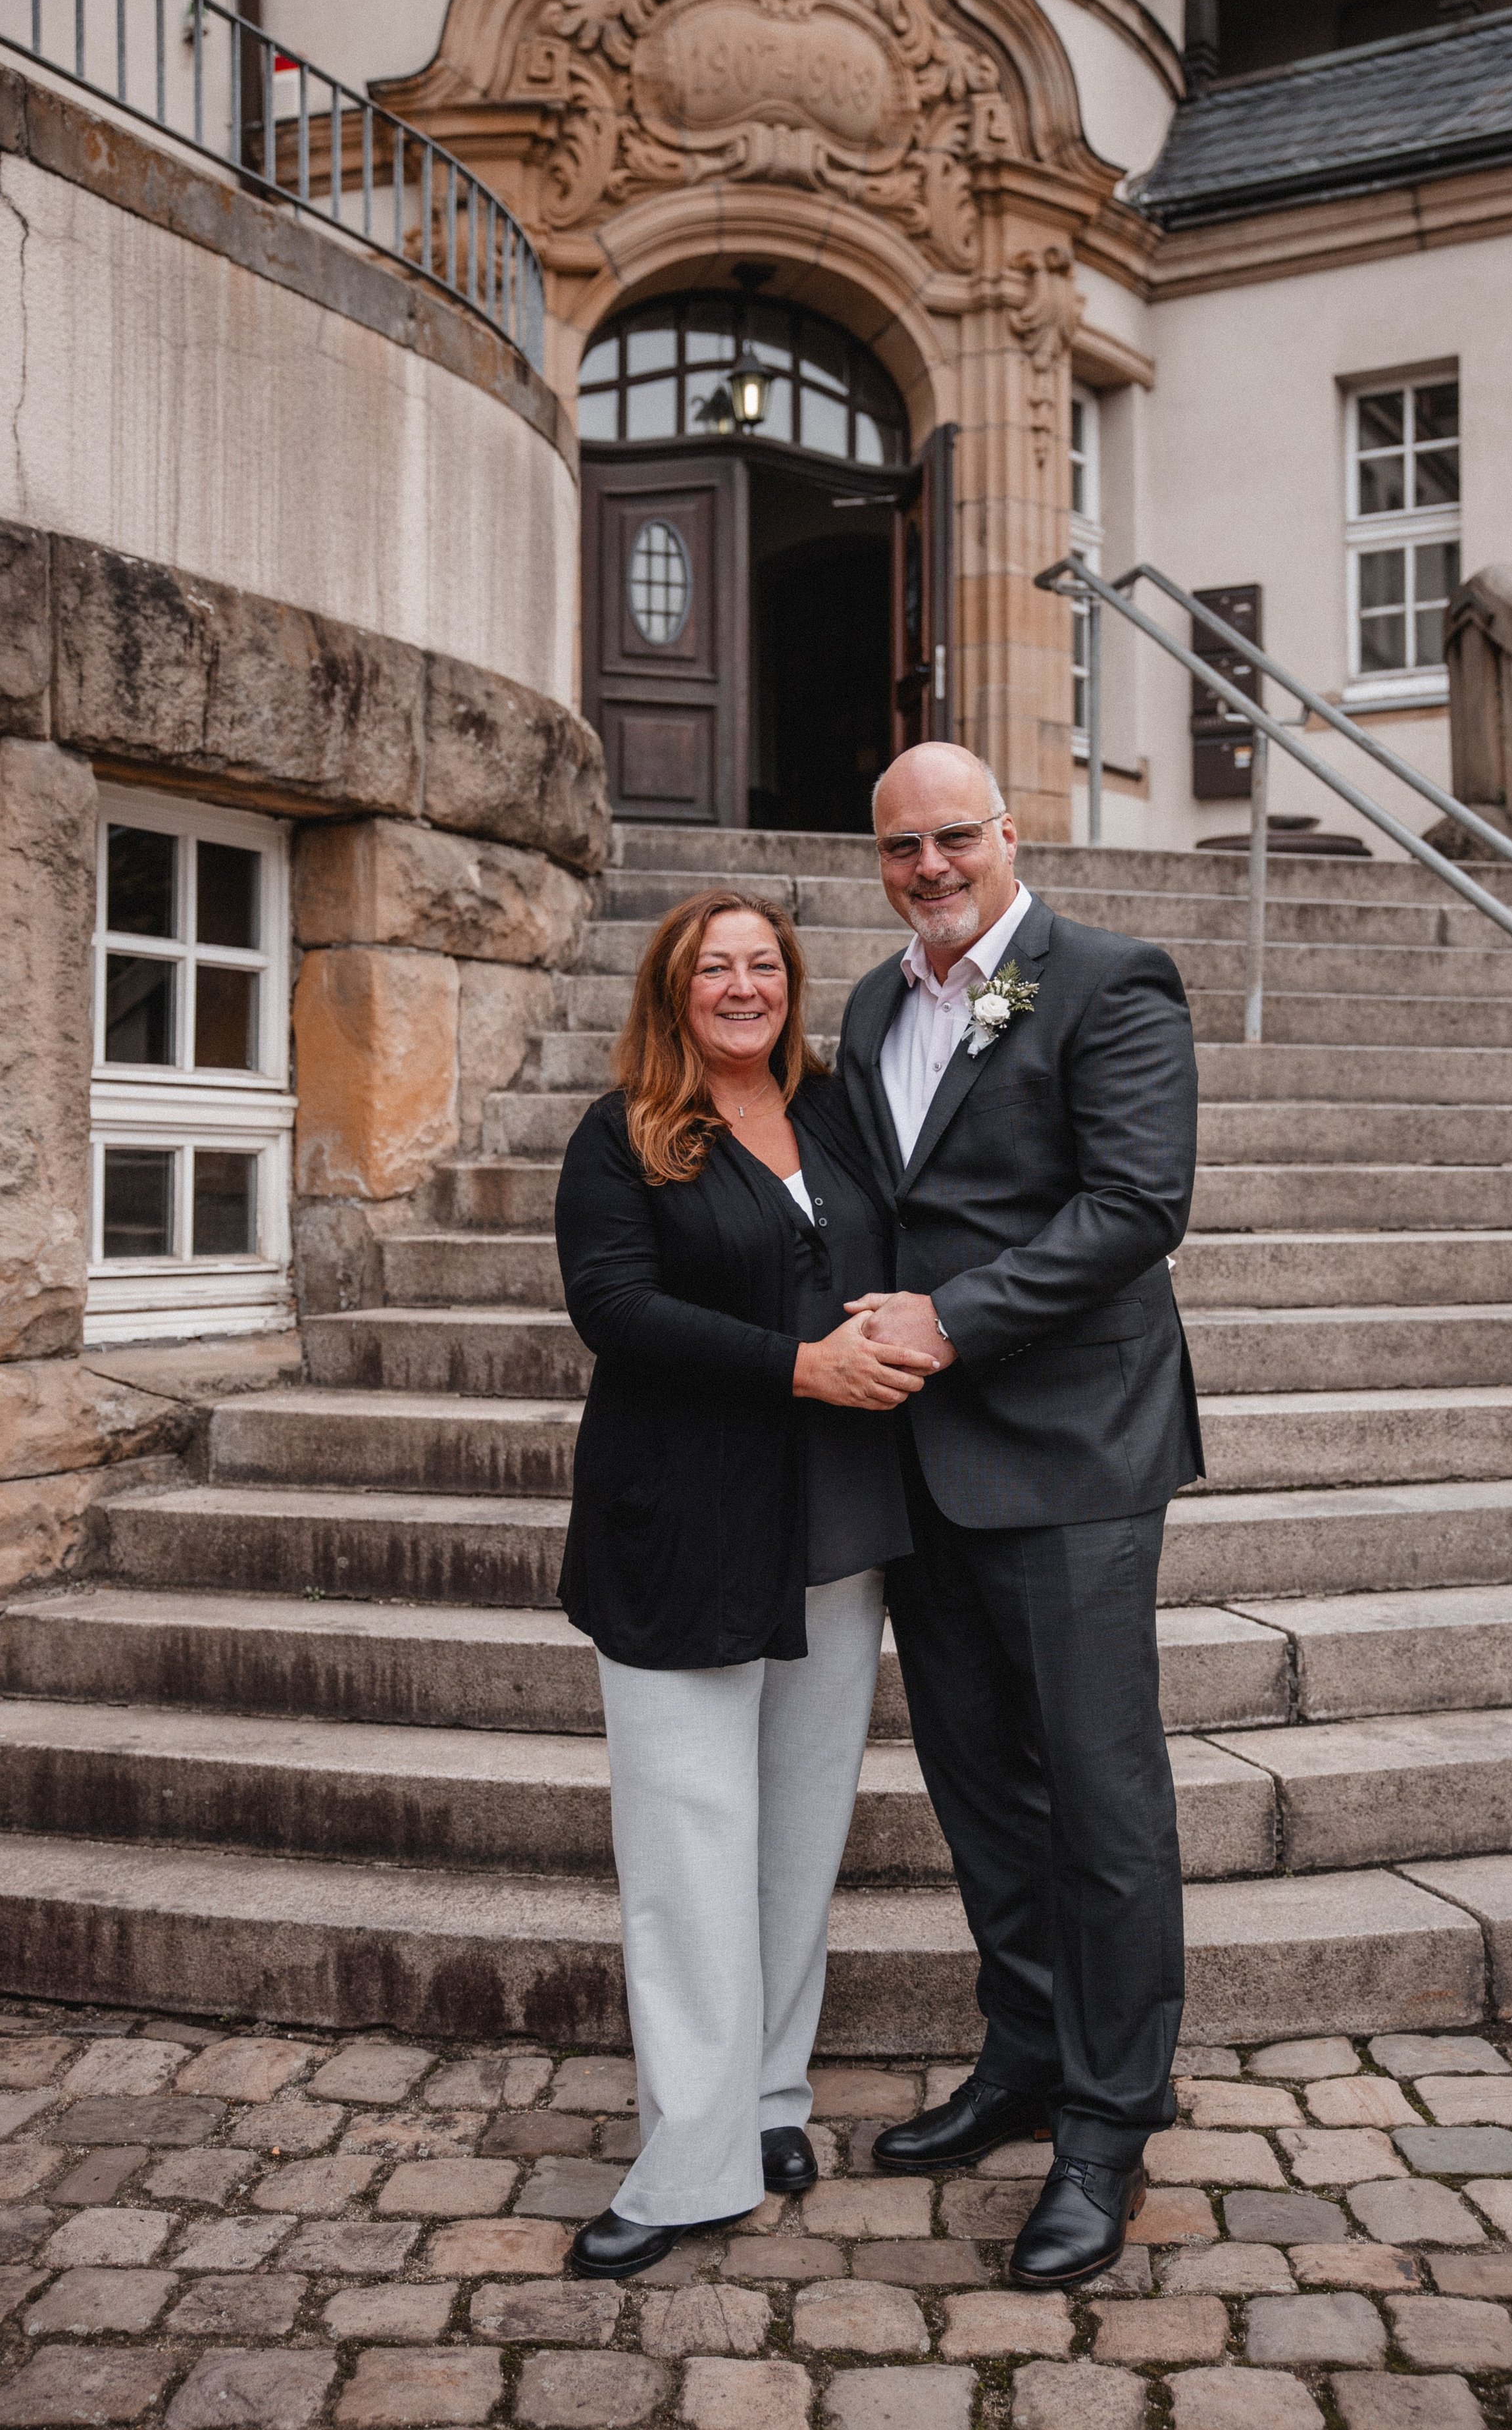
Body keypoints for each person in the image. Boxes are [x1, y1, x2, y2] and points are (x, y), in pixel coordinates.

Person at [836, 742, 1204, 2288]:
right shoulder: (868, 1003)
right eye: (900, 848)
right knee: (981, 1785)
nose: (929, 868)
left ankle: (1109, 2125)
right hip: (923, 1462)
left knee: (1099, 1797)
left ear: (1007, 832)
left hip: (1069, 1454)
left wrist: (944, 1320)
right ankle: (1025, 2055)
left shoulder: (1110, 980)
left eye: (952, 839)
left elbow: (1133, 1207)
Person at [553, 888, 938, 2281]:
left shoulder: (835, 1115)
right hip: (679, 1530)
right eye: (711, 967)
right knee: (684, 1856)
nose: (738, 986)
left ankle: (772, 2100)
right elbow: (613, 1308)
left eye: (760, 965)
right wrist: (799, 1366)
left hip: (833, 1529)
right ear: (672, 991)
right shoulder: (625, 1135)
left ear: (790, 985)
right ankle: (689, 2164)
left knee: (794, 1843)